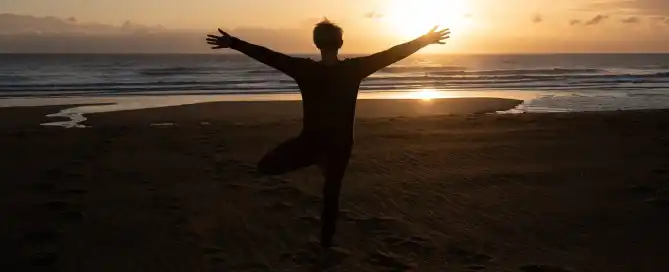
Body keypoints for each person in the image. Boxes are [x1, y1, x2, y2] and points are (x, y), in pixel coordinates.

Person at [206, 20, 450, 248]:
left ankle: (317, 167)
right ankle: (326, 244)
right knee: (331, 194)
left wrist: (234, 43)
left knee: (266, 166)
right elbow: (392, 54)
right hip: (340, 143)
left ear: (316, 44)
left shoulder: (304, 69)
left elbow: (269, 56)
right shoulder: (354, 69)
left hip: (313, 140)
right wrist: (425, 40)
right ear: (340, 43)